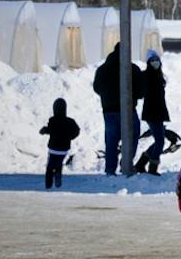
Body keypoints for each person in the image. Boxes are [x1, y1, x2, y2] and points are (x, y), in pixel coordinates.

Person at [91, 41, 142, 176]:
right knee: (132, 135)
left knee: (111, 141)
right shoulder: (131, 69)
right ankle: (125, 164)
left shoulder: (102, 69)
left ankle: (110, 169)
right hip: (127, 109)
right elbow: (141, 90)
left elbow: (96, 87)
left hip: (108, 110)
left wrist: (108, 96)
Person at [133, 50, 172, 174]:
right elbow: (142, 91)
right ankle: (152, 167)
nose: (155, 63)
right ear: (149, 62)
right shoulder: (146, 76)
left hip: (158, 113)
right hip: (151, 112)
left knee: (159, 140)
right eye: (153, 61)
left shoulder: (159, 76)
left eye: (157, 60)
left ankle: (141, 163)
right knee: (160, 141)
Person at [38, 98, 81, 189]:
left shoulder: (52, 120)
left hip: (53, 148)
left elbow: (49, 130)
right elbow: (77, 131)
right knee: (59, 164)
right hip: (64, 149)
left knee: (50, 166)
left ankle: (48, 184)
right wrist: (70, 137)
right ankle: (58, 174)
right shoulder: (70, 121)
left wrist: (43, 130)